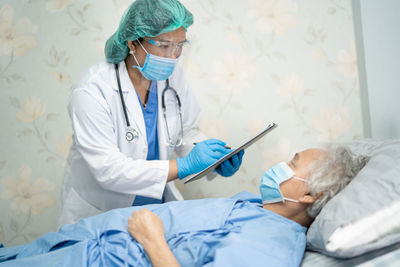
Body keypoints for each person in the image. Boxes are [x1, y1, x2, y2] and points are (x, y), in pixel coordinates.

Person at [0, 145, 369, 266]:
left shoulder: (270, 246)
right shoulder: (257, 206)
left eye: (292, 162)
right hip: (72, 243)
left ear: (309, 196)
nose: (280, 165)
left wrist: (153, 240)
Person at [58, 0, 244, 227]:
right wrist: (185, 165)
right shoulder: (93, 90)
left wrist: (214, 160)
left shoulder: (173, 79)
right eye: (164, 45)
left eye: (179, 46)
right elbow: (109, 170)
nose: (172, 56)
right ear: (132, 42)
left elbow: (186, 132)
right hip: (100, 216)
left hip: (156, 210)